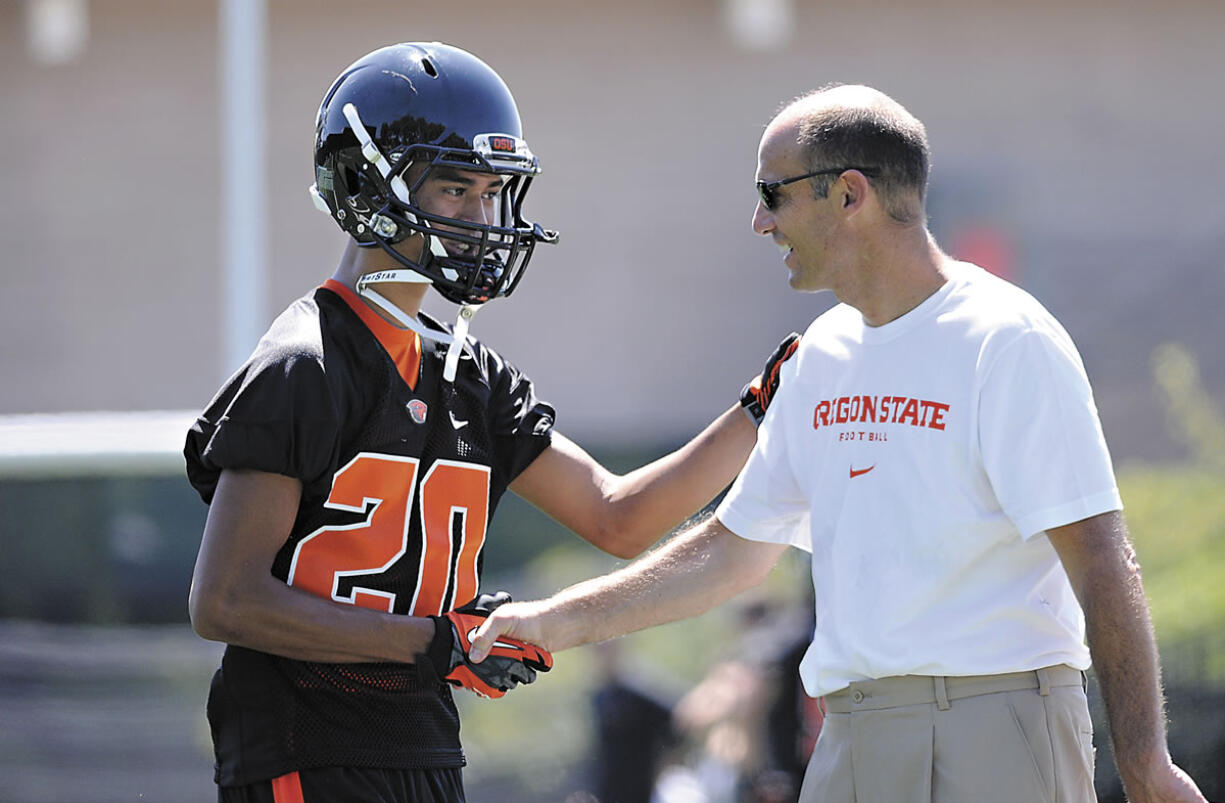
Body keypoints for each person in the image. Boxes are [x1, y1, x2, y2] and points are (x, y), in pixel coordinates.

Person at [470, 84, 1209, 803]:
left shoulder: (1007, 340)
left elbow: (1102, 554)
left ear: (849, 195)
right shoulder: (819, 353)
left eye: (772, 194)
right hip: (850, 736)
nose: (761, 223)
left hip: (999, 727)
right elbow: (731, 550)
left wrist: (1146, 761)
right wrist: (554, 620)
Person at [184, 42, 792, 803]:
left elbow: (619, 516)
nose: (480, 218)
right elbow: (226, 599)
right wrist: (436, 640)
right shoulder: (304, 364)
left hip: (425, 744)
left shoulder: (466, 371)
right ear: (365, 185)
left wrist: (760, 407)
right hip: (306, 746)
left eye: (489, 192)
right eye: (453, 190)